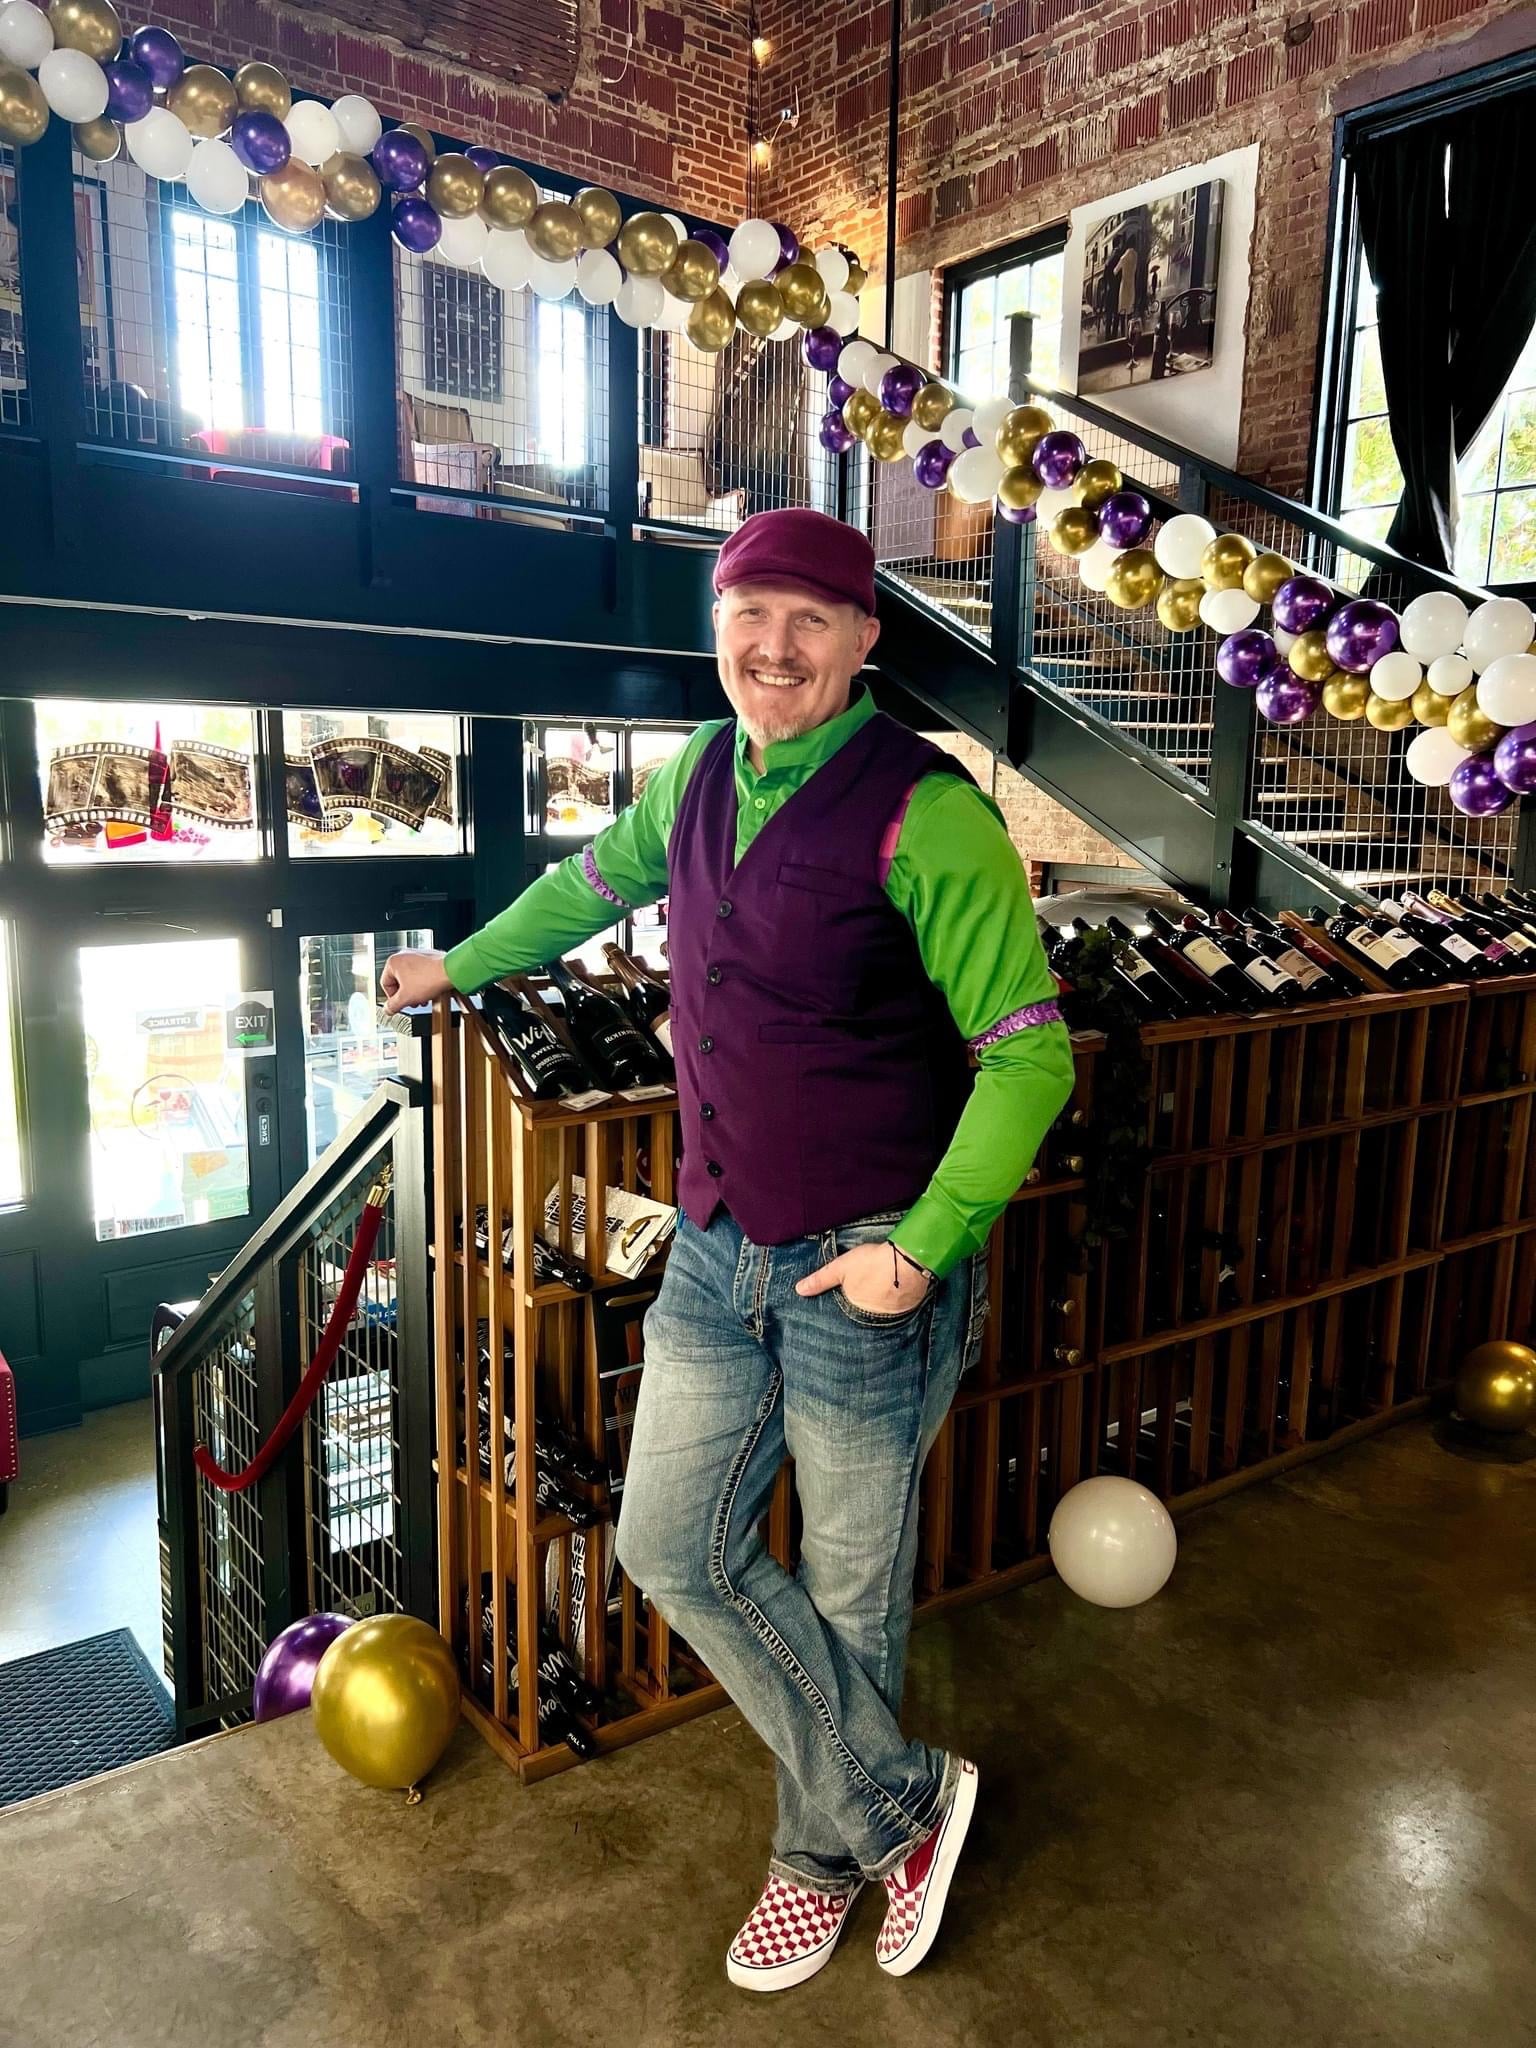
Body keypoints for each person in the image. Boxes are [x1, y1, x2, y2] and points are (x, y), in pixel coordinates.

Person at [382, 507, 1075, 1991]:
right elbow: (587, 889)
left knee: (849, 1591)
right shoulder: (697, 772)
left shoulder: (927, 811)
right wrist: (457, 963)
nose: (775, 647)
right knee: (668, 1545)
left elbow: (1030, 1058)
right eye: (750, 615)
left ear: (864, 641)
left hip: (870, 1265)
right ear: (718, 630)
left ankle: (817, 1863)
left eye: (810, 620)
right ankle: (904, 1806)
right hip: (715, 1246)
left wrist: (919, 1252)